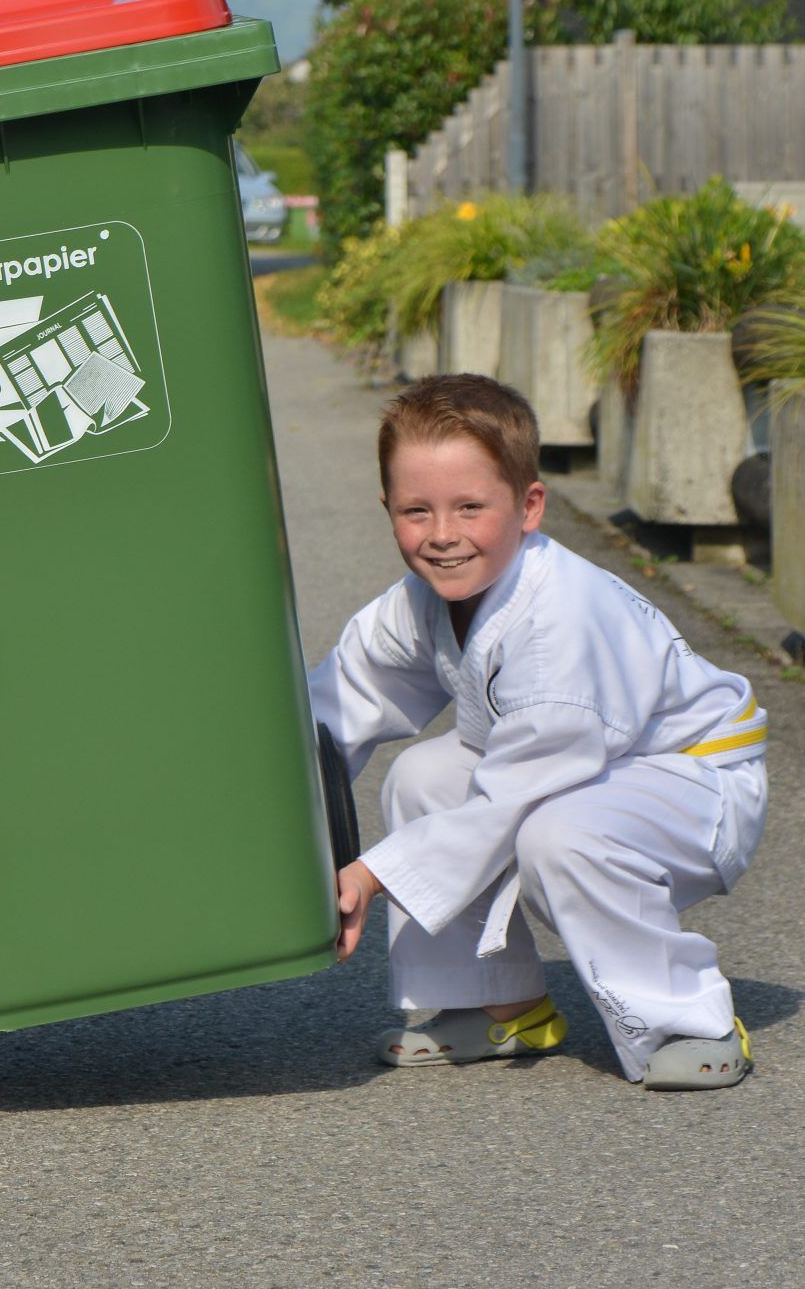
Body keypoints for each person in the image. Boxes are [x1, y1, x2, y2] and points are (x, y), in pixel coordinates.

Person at [310, 372, 766, 1088]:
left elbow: (509, 803)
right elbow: (337, 703)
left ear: (528, 506)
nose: (441, 536)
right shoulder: (420, 603)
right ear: (386, 508)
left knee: (557, 834)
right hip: (588, 776)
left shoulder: (561, 625)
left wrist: (369, 876)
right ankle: (499, 1005)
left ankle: (688, 1021)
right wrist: (262, 790)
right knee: (424, 776)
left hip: (693, 783)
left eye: (469, 507)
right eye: (415, 511)